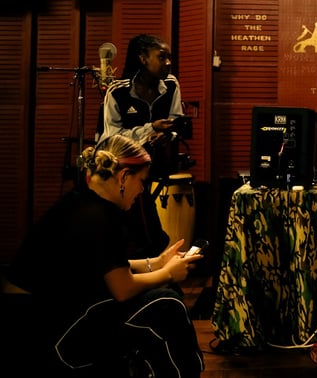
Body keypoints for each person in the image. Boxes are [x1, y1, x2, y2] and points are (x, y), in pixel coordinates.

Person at [3, 135, 204, 376]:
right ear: (123, 177)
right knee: (167, 304)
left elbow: (107, 265)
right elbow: (123, 288)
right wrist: (168, 274)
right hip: (39, 328)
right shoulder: (98, 216)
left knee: (160, 301)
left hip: (42, 313)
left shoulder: (84, 201)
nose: (142, 190)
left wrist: (158, 262)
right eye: (141, 181)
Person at [100, 34, 186, 259]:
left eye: (169, 57)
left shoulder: (171, 85)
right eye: (162, 57)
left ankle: (148, 252)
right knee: (141, 218)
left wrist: (168, 135)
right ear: (143, 58)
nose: (168, 62)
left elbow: (177, 123)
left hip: (157, 163)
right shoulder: (117, 91)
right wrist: (150, 130)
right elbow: (111, 138)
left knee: (144, 218)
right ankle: (148, 252)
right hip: (123, 169)